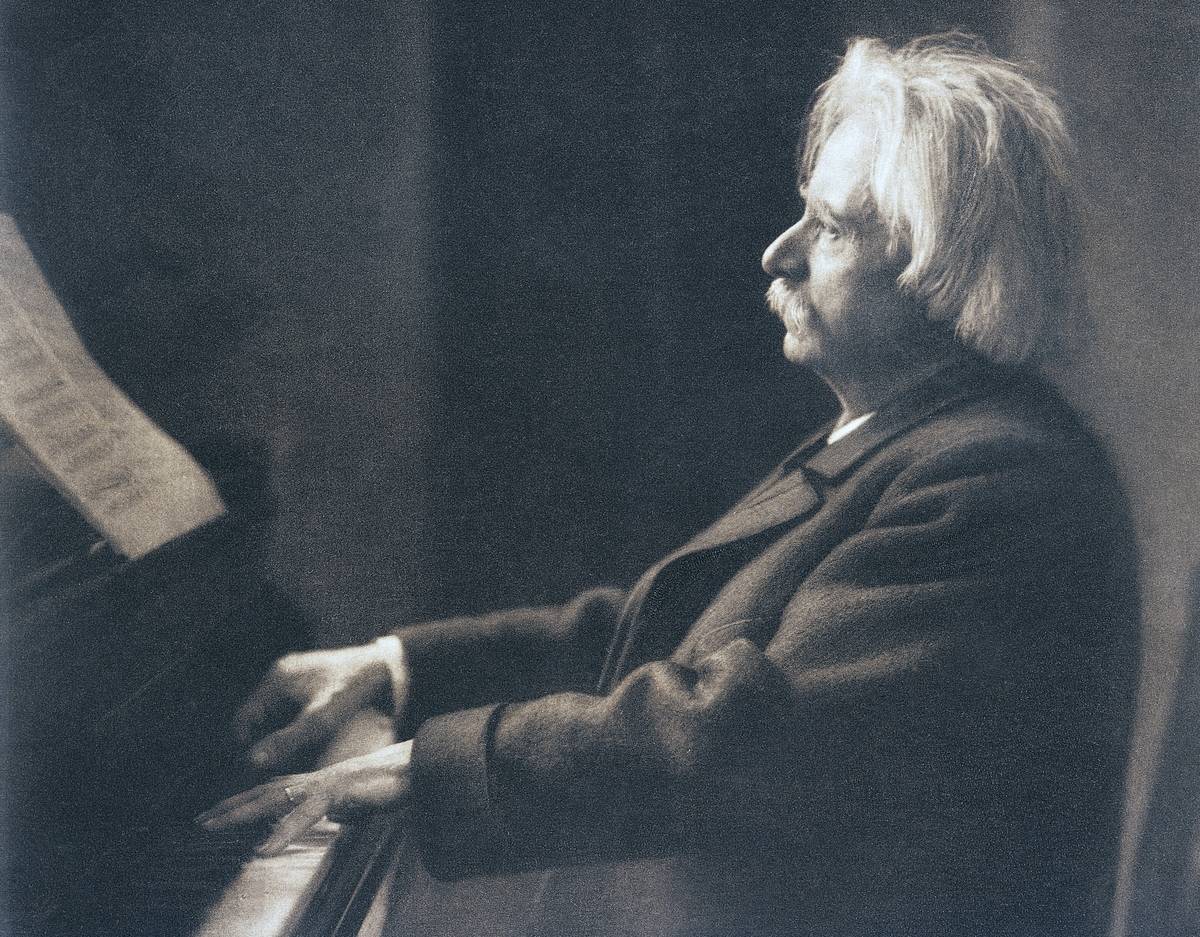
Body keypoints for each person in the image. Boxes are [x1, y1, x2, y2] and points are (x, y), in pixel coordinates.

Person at [199, 34, 1139, 937]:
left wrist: (431, 766)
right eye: (801, 210)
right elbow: (660, 630)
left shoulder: (1004, 477)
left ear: (948, 267)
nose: (780, 251)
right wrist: (400, 667)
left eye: (833, 227)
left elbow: (743, 731)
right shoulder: (903, 433)